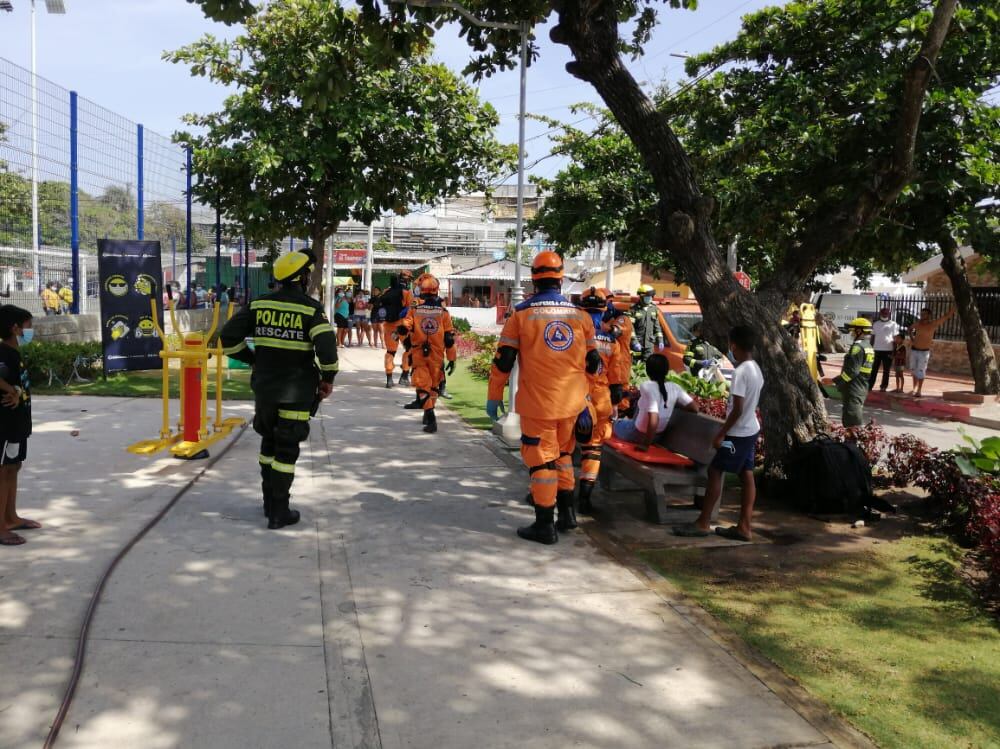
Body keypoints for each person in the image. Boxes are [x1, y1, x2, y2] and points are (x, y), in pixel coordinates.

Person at [486, 251, 600, 545]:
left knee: (541, 464)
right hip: (573, 405)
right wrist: (588, 401)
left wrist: (494, 395)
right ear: (561, 279)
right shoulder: (582, 317)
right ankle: (567, 515)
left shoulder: (521, 316)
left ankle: (544, 525)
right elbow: (594, 364)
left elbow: (503, 361)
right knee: (562, 457)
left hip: (539, 405)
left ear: (533, 279)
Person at [220, 250, 338, 530]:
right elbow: (327, 350)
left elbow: (228, 337)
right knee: (286, 450)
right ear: (303, 278)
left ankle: (268, 504)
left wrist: (253, 359)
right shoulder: (311, 309)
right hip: (297, 393)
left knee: (268, 443)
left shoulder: (259, 305)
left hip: (266, 390)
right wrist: (328, 377)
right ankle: (280, 511)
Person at [674, 325, 763, 542]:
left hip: (738, 433)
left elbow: (738, 408)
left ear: (733, 345)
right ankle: (744, 526)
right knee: (746, 473)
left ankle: (703, 523)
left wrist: (721, 433)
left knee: (715, 471)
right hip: (750, 429)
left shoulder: (741, 371)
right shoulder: (755, 368)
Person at [575, 288, 624, 519]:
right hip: (602, 398)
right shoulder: (612, 341)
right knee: (593, 449)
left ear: (581, 307)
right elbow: (617, 380)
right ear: (605, 309)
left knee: (562, 445)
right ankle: (584, 498)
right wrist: (615, 404)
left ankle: (547, 493)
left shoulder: (573, 335)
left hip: (575, 396)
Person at [0, 306, 38, 546]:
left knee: (14, 467)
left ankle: (11, 517)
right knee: (4, 471)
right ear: (15, 327)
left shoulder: (13, 352)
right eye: (27, 326)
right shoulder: (3, 352)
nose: (30, 331)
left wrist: (17, 390)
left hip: (17, 424)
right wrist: (10, 390)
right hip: (5, 424)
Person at [398, 275, 456, 434]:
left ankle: (430, 417)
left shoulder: (415, 308)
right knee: (433, 386)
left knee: (421, 385)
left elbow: (405, 325)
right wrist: (452, 358)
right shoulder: (443, 311)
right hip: (437, 355)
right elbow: (449, 338)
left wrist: (402, 331)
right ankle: (428, 411)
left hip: (419, 353)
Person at [613, 352, 698, 449]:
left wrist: (645, 445)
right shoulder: (675, 387)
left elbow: (654, 418)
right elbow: (694, 408)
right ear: (666, 371)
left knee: (614, 423)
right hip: (657, 437)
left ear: (648, 371)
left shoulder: (647, 386)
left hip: (637, 434)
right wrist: (672, 402)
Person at [908, 305, 956, 397]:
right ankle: (914, 388)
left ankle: (919, 390)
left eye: (924, 314)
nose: (922, 316)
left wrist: (953, 309)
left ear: (929, 315)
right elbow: (909, 329)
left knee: (921, 371)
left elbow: (945, 317)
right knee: (913, 370)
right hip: (914, 350)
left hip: (924, 352)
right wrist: (912, 338)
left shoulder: (933, 324)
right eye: (921, 314)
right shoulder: (917, 324)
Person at [378, 270, 414, 388]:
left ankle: (389, 379)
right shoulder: (407, 292)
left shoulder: (387, 291)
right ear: (408, 279)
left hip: (388, 326)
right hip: (402, 326)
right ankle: (404, 376)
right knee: (409, 349)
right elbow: (410, 310)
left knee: (390, 352)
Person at [837, 318, 875, 427]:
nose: (851, 334)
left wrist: (835, 381)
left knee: (852, 419)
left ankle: (853, 441)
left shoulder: (857, 347)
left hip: (854, 386)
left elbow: (852, 372)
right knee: (853, 414)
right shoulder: (868, 346)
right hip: (862, 384)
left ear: (859, 331)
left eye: (853, 331)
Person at [629, 284, 665, 361]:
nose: (649, 299)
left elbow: (657, 327)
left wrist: (660, 340)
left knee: (647, 366)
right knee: (636, 367)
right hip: (637, 344)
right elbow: (630, 328)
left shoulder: (653, 309)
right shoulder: (633, 309)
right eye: (647, 297)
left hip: (649, 344)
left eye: (651, 297)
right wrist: (634, 342)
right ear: (641, 297)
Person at [868, 307, 900, 392]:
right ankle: (869, 385)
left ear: (889, 314)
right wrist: (870, 349)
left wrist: (895, 350)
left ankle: (883, 386)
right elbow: (872, 337)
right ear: (880, 313)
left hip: (888, 350)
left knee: (886, 370)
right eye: (883, 313)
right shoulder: (876, 324)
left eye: (886, 313)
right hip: (876, 350)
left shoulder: (894, 324)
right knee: (873, 369)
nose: (884, 314)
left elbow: (896, 338)